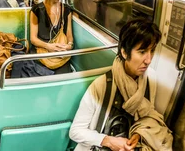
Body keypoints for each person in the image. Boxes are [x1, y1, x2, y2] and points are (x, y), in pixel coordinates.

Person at [69, 19, 172, 151]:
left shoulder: (150, 78)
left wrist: (138, 135)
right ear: (124, 52)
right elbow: (76, 131)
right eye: (142, 52)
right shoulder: (102, 85)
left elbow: (147, 116)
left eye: (152, 51)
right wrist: (108, 141)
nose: (148, 60)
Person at [29, 0, 75, 74]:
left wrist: (69, 45)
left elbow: (69, 36)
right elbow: (33, 39)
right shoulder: (36, 10)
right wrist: (49, 46)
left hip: (60, 55)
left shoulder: (66, 10)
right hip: (42, 52)